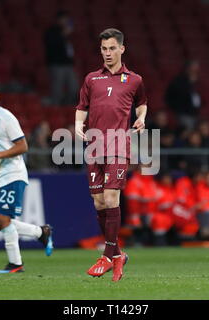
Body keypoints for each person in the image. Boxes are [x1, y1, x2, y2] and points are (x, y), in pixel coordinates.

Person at [75, 28, 147, 281]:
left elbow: (142, 102)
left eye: (112, 48)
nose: (107, 53)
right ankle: (118, 255)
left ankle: (107, 255)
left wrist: (141, 118)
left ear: (122, 49)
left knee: (111, 196)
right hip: (94, 145)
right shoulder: (91, 79)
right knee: (99, 202)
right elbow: (82, 106)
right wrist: (77, 124)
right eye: (104, 49)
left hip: (118, 144)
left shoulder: (134, 79)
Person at [0, 75, 54, 273]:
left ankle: (16, 264)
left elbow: (23, 146)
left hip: (13, 173)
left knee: (3, 219)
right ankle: (40, 232)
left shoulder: (6, 118)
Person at [43, 10, 79, 105]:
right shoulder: (51, 32)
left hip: (68, 64)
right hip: (57, 64)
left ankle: (67, 105)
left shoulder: (68, 34)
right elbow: (52, 46)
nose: (66, 22)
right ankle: (56, 109)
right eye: (64, 19)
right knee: (57, 90)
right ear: (59, 20)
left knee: (74, 88)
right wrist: (63, 34)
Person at [165, 60, 202, 131]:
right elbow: (178, 96)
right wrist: (190, 83)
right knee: (187, 132)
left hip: (195, 113)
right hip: (184, 113)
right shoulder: (179, 81)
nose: (195, 72)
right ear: (188, 69)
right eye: (193, 69)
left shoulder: (197, 81)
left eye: (196, 70)